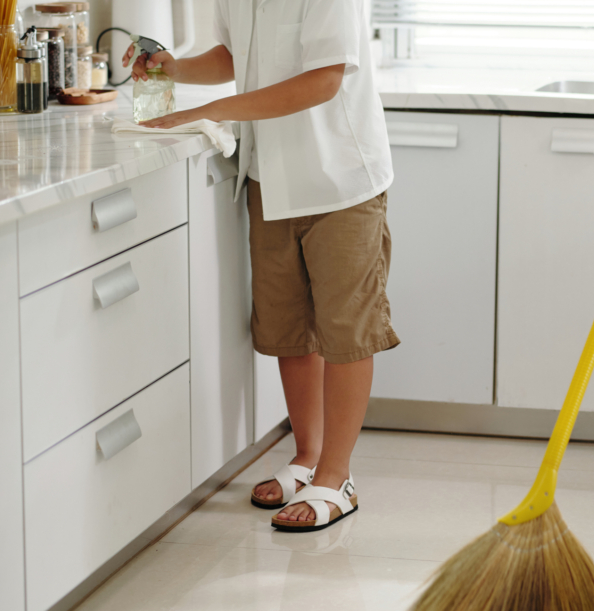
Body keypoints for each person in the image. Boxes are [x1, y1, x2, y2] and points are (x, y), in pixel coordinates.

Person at [126, 0, 397, 533]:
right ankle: (307, 457)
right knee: (289, 329)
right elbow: (236, 55)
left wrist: (214, 111)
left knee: (346, 331)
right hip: (271, 178)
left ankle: (336, 477)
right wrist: (175, 69)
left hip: (340, 179)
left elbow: (323, 80)